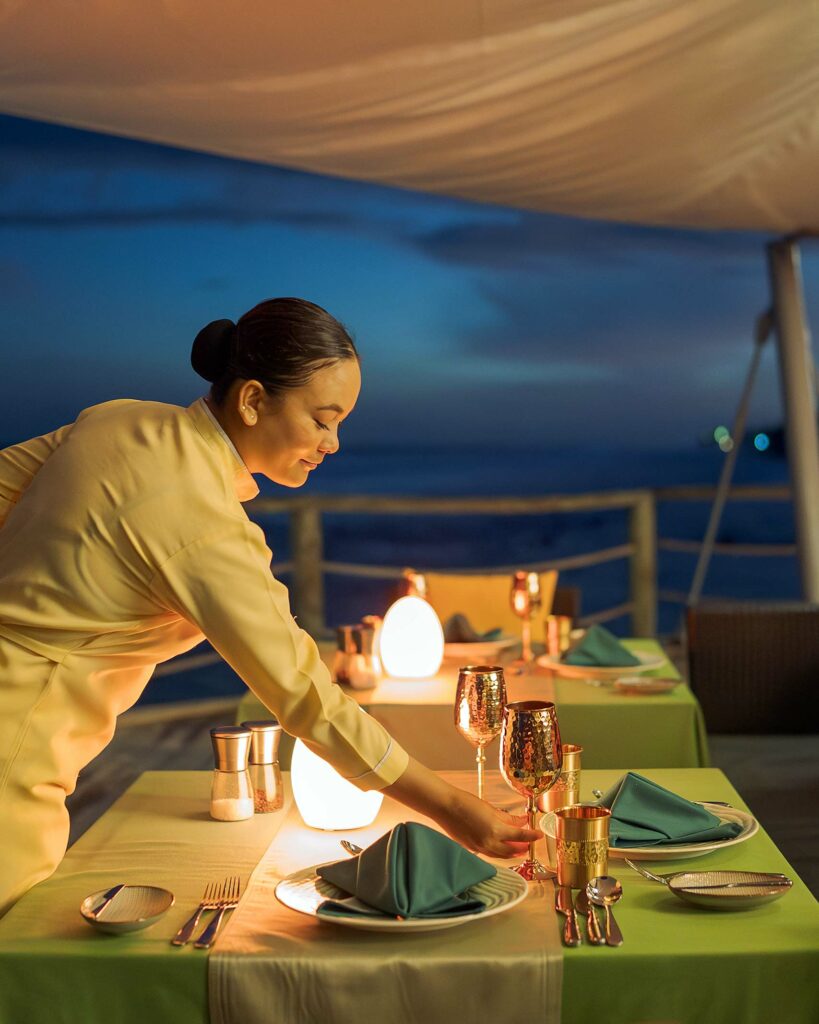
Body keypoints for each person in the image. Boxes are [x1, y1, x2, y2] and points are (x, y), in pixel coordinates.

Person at [0, 297, 538, 915]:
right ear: (253, 400)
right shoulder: (200, 520)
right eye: (322, 420)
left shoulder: (118, 420)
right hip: (15, 750)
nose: (333, 444)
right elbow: (304, 694)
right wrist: (449, 806)